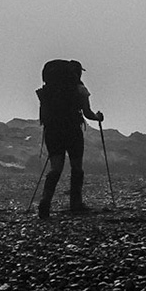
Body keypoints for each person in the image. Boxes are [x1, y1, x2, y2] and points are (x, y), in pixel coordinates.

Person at [35, 58, 103, 218]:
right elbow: (87, 113)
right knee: (76, 167)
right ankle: (76, 204)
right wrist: (98, 117)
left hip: (52, 131)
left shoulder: (50, 91)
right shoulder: (79, 89)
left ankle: (45, 201)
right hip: (72, 130)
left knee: (56, 168)